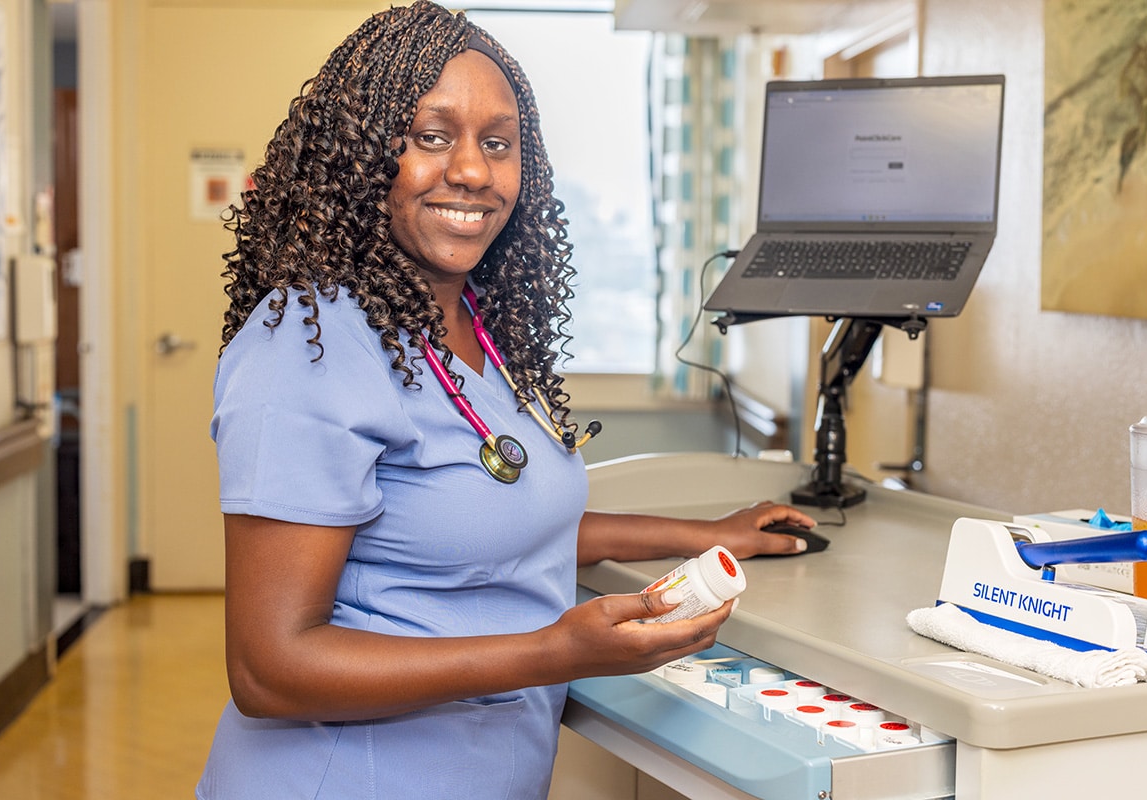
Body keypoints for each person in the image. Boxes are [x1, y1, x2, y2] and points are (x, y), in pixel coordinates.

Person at [195, 3, 817, 798]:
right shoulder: (307, 345)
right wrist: (556, 652)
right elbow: (268, 667)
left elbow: (496, 518)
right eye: (430, 136)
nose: (473, 171)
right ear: (357, 154)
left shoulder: (471, 328)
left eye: (498, 144)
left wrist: (706, 534)